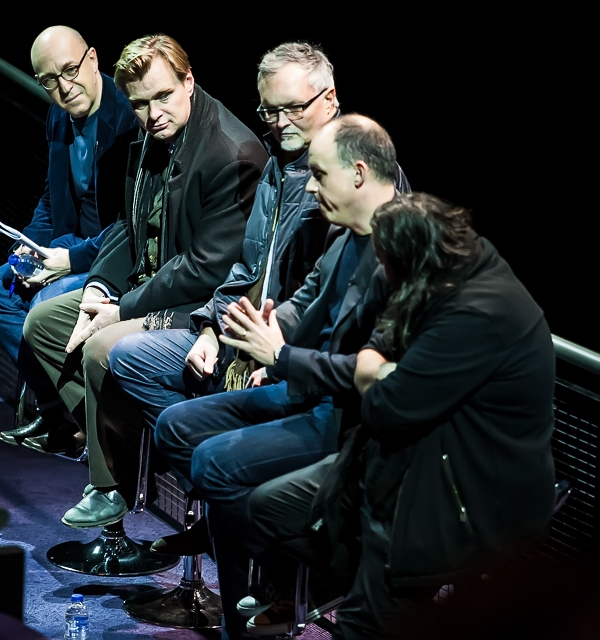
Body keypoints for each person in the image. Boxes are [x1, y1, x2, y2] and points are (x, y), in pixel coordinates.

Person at [248, 192, 556, 639]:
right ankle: (348, 580)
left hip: (466, 496)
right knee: (272, 507)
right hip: (413, 457)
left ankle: (371, 593)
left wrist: (368, 372)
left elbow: (383, 406)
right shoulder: (448, 266)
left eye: (385, 271)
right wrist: (375, 364)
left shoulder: (476, 313)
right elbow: (381, 346)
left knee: (360, 625)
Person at [147, 115, 409, 637]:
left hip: (345, 418)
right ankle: (265, 563)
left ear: (359, 174)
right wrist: (258, 328)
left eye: (318, 175)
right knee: (175, 427)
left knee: (214, 463)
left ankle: (280, 583)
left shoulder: (399, 251)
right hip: (303, 391)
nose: (309, 186)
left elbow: (371, 377)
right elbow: (304, 301)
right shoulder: (344, 239)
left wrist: (280, 355)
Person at [21, 34, 267, 524]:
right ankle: (126, 447)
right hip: (143, 289)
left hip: (194, 310)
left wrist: (122, 308)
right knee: (43, 325)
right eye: (139, 103)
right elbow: (128, 228)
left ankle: (110, 481)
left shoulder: (231, 152)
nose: (152, 112)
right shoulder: (150, 136)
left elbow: (205, 267)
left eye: (163, 96)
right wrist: (97, 285)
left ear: (189, 81)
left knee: (99, 346)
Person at [107, 41, 342, 536]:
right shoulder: (278, 167)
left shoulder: (348, 178)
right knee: (129, 356)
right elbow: (245, 267)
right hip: (242, 340)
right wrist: (213, 327)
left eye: (292, 109)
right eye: (269, 111)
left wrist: (272, 353)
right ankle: (221, 496)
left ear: (330, 99)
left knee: (199, 437)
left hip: (299, 367)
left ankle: (230, 502)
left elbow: (326, 297)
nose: (279, 123)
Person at [0, 26, 139, 445]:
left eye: (70, 70)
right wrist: (28, 248)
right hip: (67, 244)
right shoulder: (58, 116)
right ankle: (56, 409)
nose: (64, 87)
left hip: (110, 254)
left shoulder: (129, 121)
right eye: (49, 80)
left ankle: (95, 421)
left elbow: (129, 223)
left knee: (44, 304)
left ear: (94, 59)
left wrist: (69, 262)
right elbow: (51, 199)